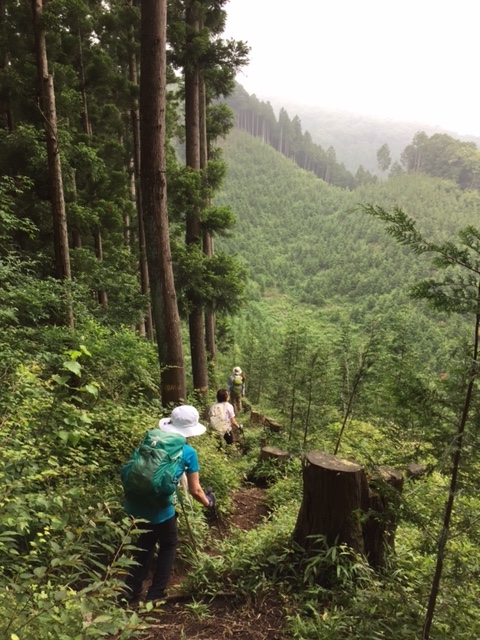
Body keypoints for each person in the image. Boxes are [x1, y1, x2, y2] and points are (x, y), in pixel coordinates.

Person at [121, 405, 214, 604]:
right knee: (169, 544)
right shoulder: (188, 451)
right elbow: (196, 490)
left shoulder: (152, 441)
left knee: (144, 545)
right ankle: (156, 593)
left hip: (136, 503)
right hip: (161, 508)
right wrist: (209, 503)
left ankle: (130, 590)